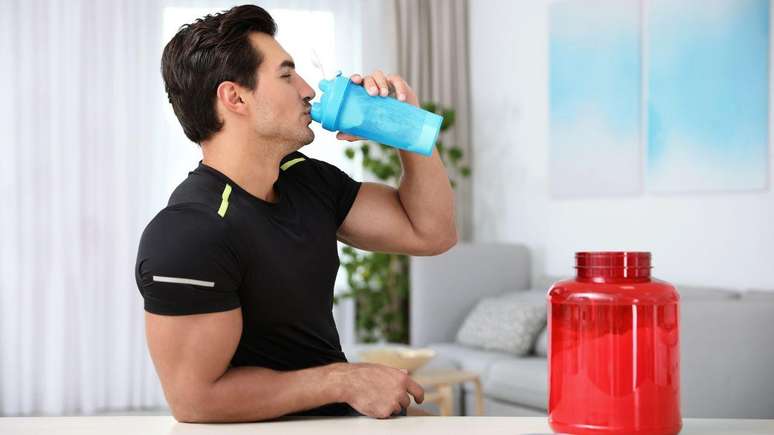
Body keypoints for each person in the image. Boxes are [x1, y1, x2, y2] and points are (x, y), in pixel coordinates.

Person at [134, 4, 456, 423]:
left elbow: (431, 233)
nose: (307, 90)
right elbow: (195, 400)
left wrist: (407, 127)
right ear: (235, 97)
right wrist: (342, 381)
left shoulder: (305, 180)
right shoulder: (188, 232)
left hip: (338, 420)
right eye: (287, 76)